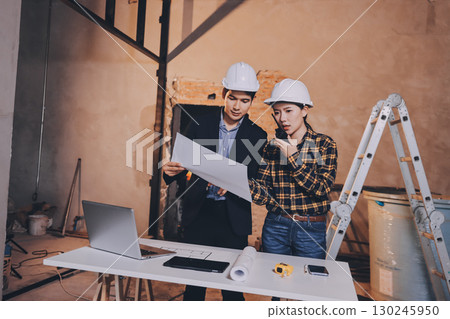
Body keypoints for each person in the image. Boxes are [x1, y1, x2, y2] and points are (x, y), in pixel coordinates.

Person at [162, 62, 267, 301]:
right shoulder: (199, 124)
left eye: (244, 100)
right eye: (232, 98)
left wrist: (232, 184)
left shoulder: (257, 135)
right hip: (199, 214)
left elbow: (253, 177)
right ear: (223, 94)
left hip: (233, 219)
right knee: (194, 285)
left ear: (252, 101)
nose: (237, 106)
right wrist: (169, 171)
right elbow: (181, 163)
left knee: (232, 287)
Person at [248, 78, 337, 259]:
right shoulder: (271, 148)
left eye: (288, 111)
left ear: (304, 110)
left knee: (309, 284)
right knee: (273, 282)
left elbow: (321, 189)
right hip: (275, 226)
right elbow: (263, 193)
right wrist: (236, 181)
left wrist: (293, 157)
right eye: (277, 112)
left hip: (311, 230)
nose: (282, 118)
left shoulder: (324, 144)